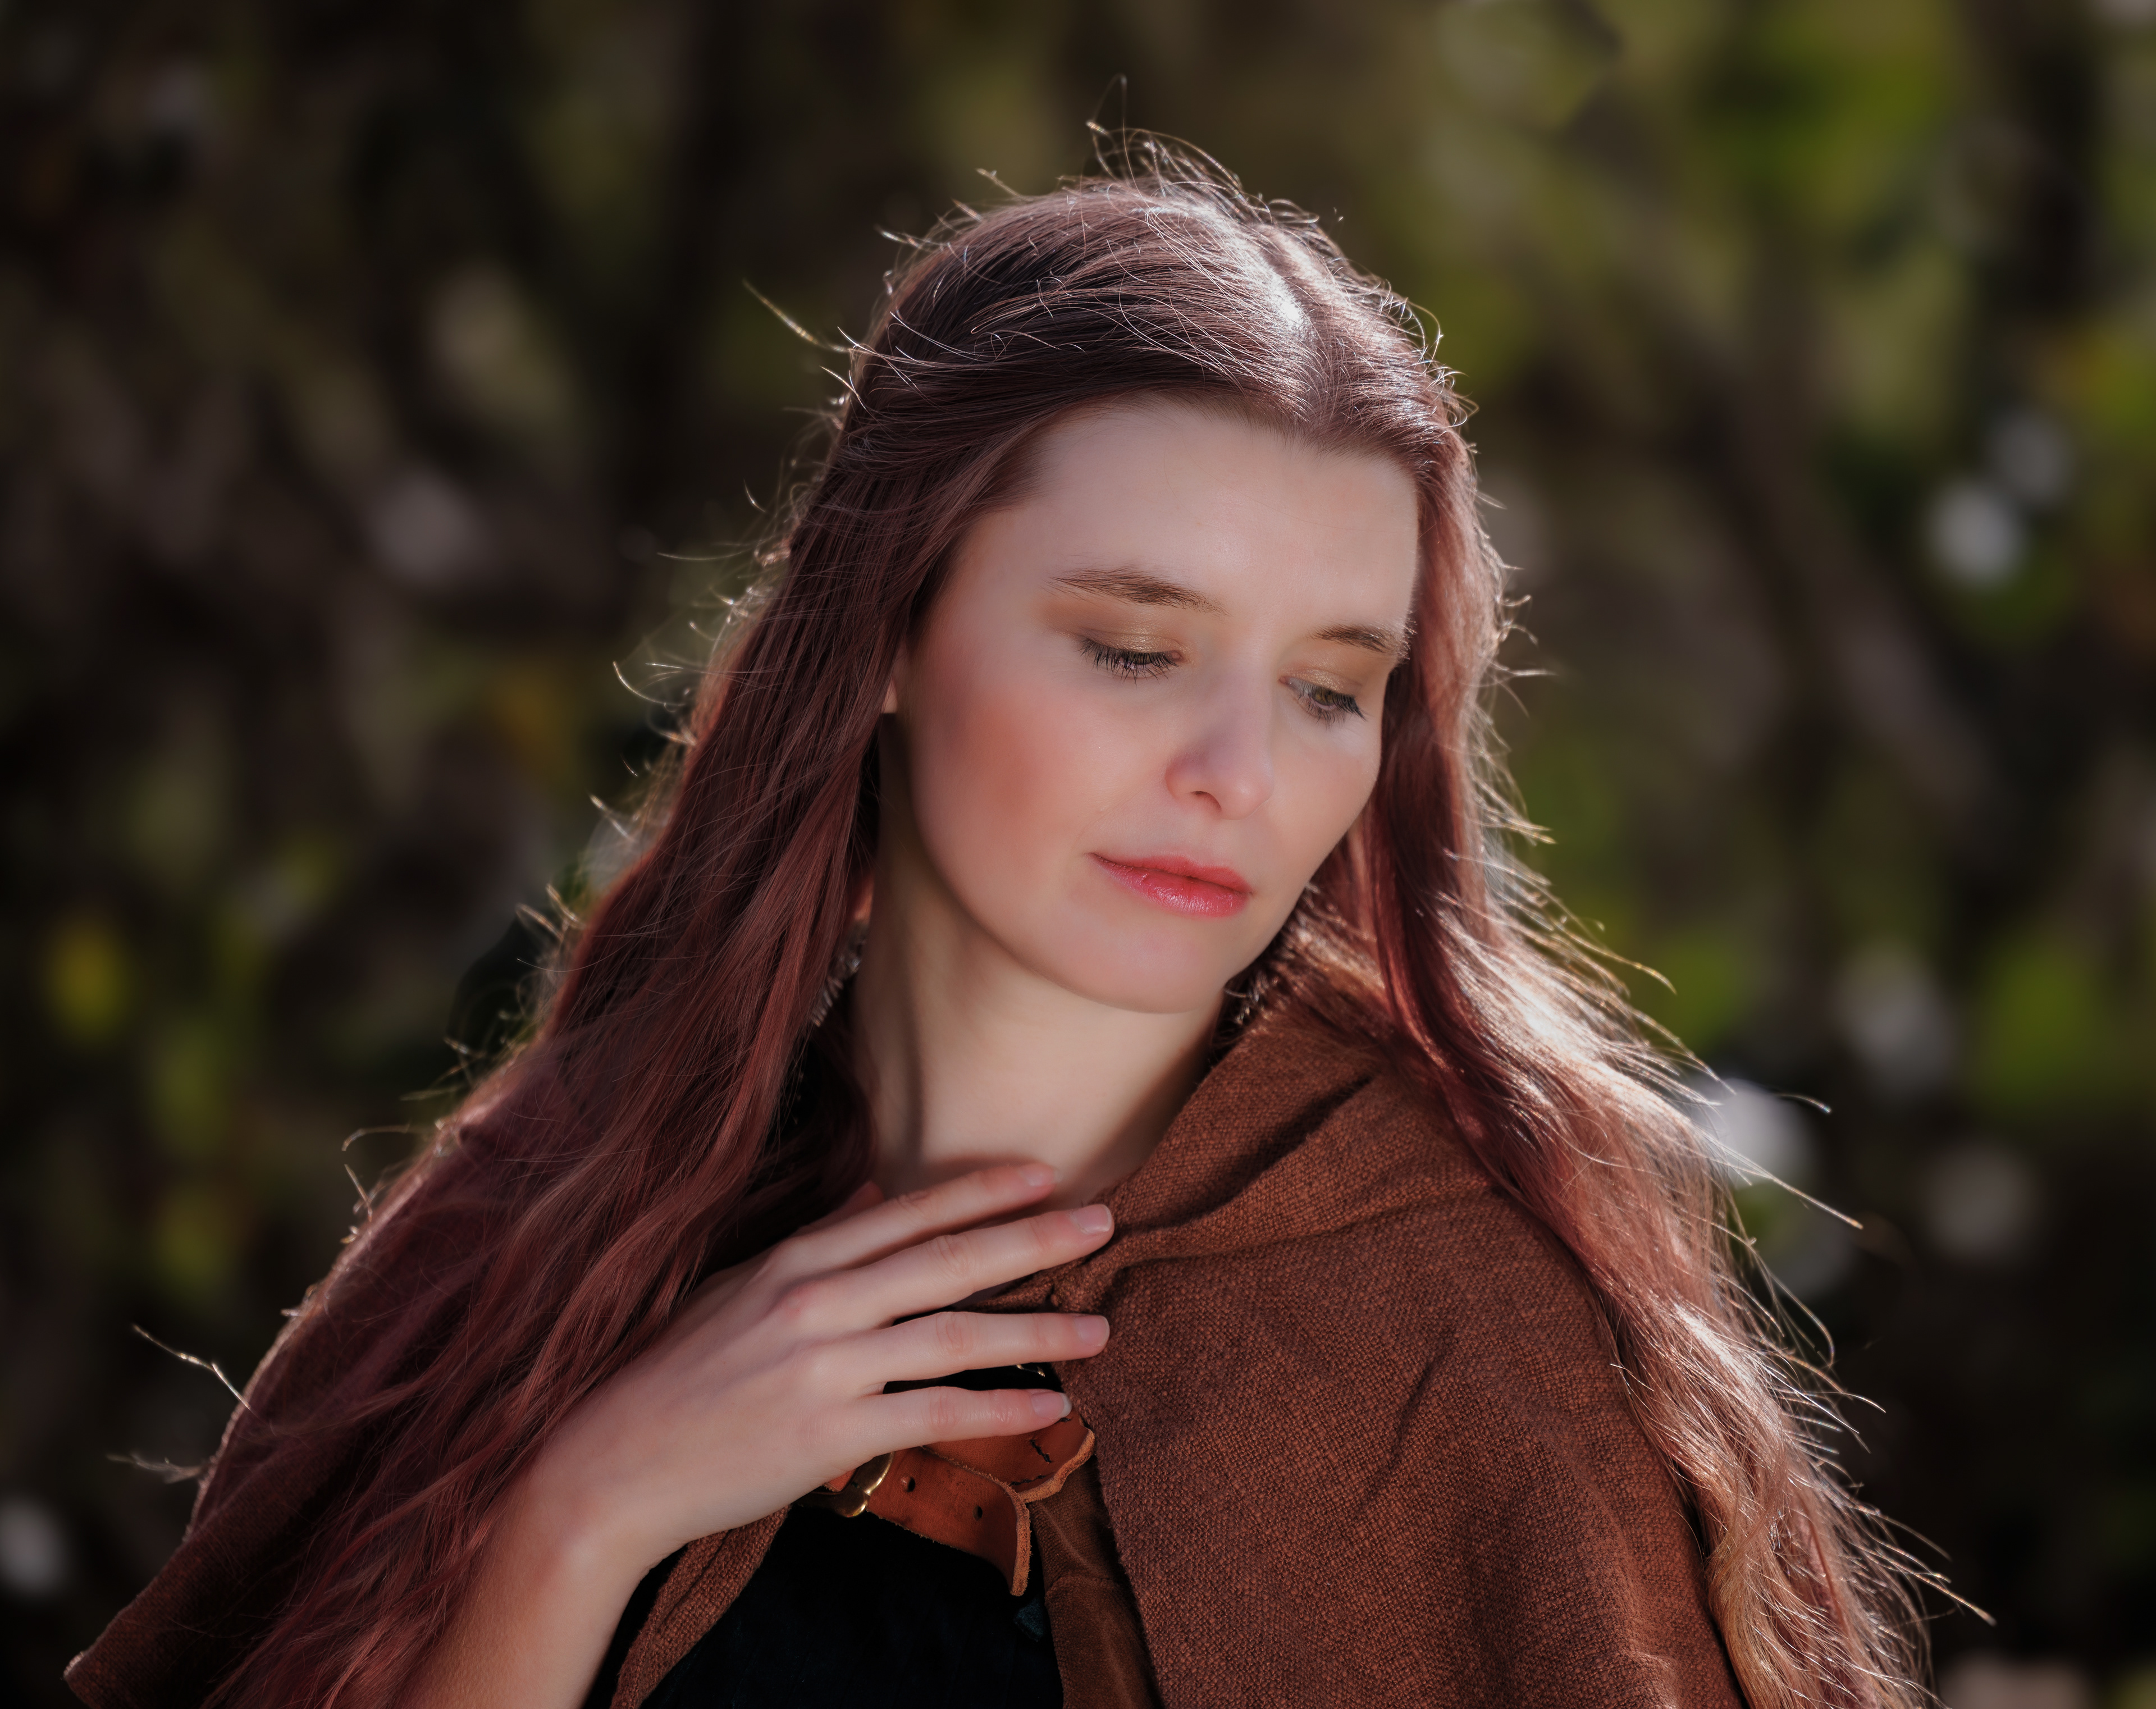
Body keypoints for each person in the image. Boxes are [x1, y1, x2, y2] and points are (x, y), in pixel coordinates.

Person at [67, 141, 1925, 1709]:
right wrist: (583, 1511)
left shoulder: (1470, 1338)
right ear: (889, 626)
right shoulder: (559, 1215)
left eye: (1328, 687)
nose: (1237, 774)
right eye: (1132, 648)